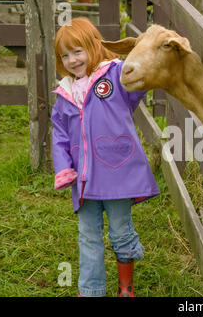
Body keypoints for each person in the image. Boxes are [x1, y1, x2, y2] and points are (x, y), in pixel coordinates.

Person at [51, 17, 160, 297]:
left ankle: (126, 286)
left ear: (94, 46)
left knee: (121, 231)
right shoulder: (64, 96)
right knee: (88, 235)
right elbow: (59, 136)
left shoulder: (116, 76)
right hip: (84, 180)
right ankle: (91, 290)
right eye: (65, 55)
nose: (72, 60)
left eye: (78, 51)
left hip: (117, 174)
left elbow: (144, 72)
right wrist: (64, 168)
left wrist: (152, 46)